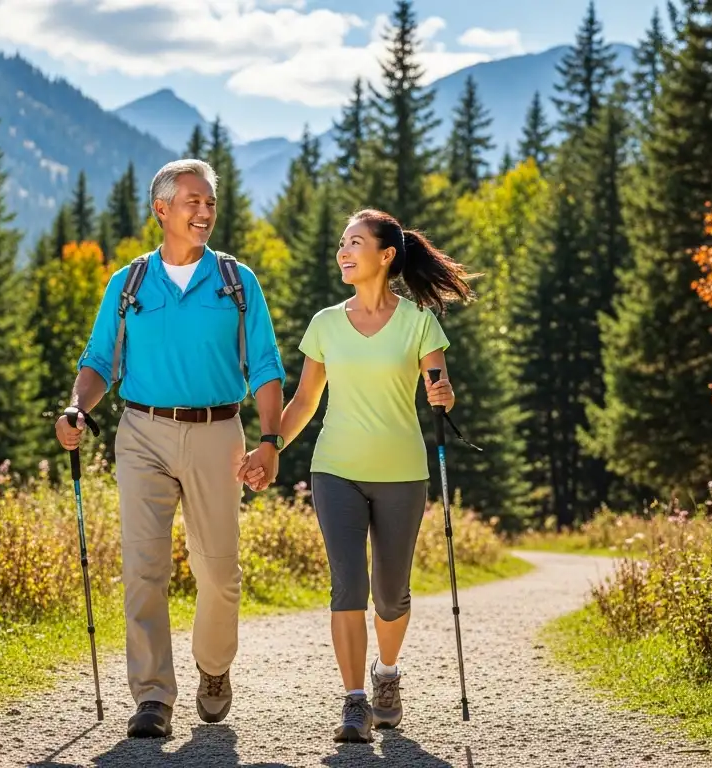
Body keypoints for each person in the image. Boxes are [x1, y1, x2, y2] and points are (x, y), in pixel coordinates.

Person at [56, 158, 286, 739]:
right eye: (193, 202)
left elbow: (264, 365)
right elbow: (99, 360)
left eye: (210, 202)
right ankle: (153, 695)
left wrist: (270, 440)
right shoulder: (128, 283)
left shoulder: (237, 282)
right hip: (142, 434)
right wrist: (78, 408)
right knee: (144, 567)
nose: (205, 212)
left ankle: (213, 668)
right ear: (161, 209)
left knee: (219, 571)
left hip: (217, 433)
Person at [241, 208, 475, 742]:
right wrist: (270, 445)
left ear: (386, 255)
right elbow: (303, 401)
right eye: (341, 244)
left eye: (355, 243)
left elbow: (441, 387)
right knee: (348, 584)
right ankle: (353, 700)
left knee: (391, 595)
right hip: (335, 470)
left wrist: (443, 395)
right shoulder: (325, 324)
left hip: (401, 473)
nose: (344, 253)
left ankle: (386, 674)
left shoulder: (419, 322)